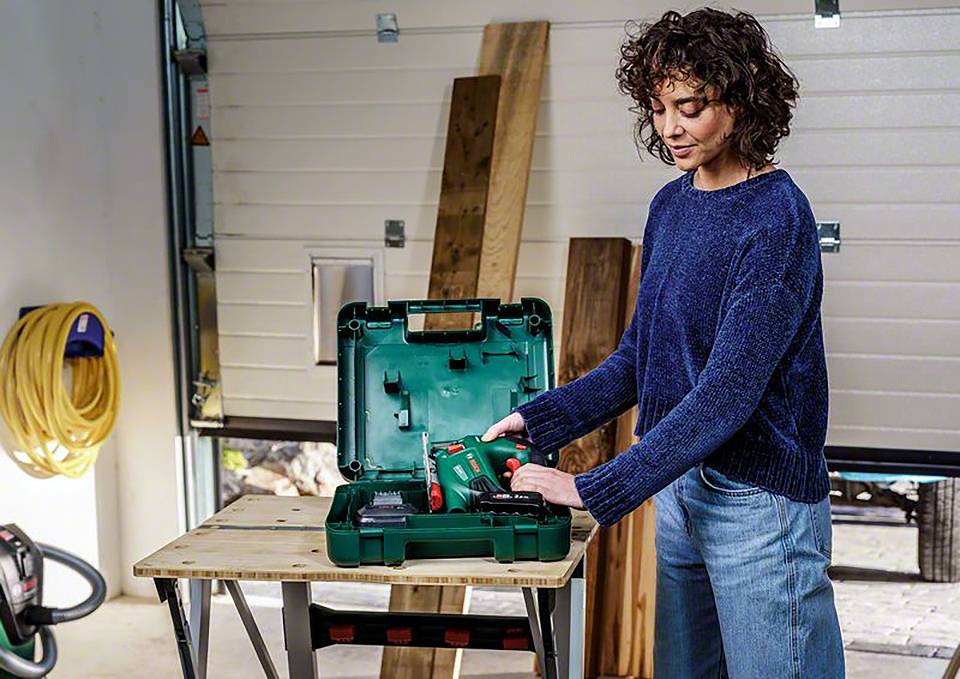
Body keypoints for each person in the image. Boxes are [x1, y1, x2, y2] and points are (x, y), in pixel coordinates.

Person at [482, 8, 844, 678]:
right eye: (658, 107)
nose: (670, 127)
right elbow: (636, 362)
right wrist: (540, 417)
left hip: (758, 510)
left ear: (741, 101)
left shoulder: (777, 218)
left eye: (691, 106)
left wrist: (594, 488)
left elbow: (726, 396)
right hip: (679, 493)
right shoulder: (670, 207)